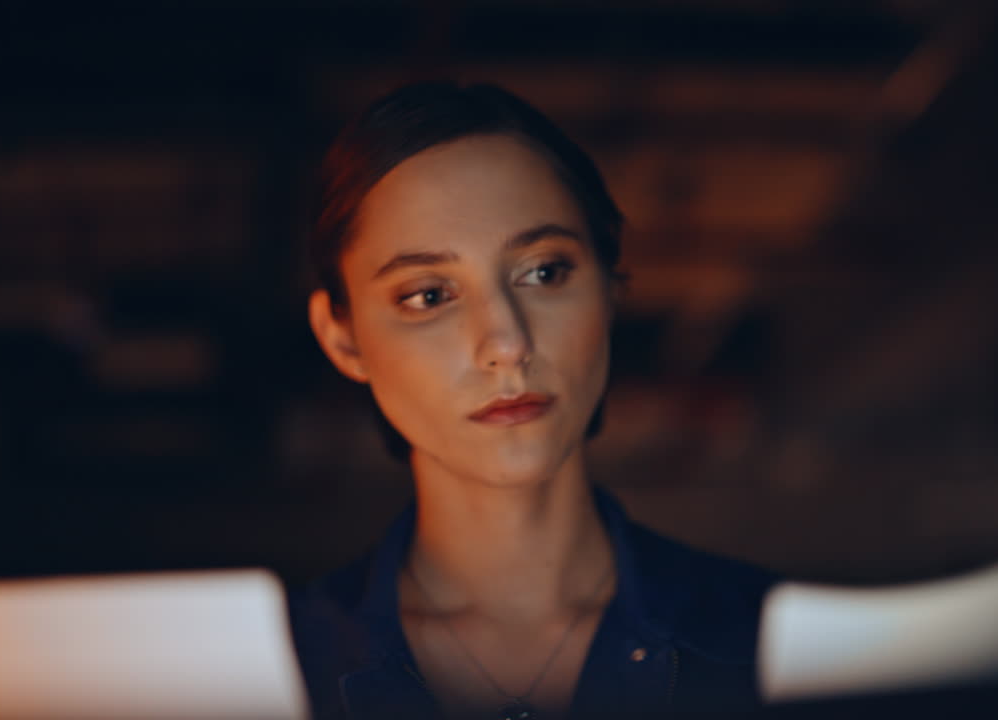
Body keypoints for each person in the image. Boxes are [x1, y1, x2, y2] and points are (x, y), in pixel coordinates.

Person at [287, 81, 779, 720]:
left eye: (544, 272)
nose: (507, 344)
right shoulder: (263, 676)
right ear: (342, 338)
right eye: (428, 296)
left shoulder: (781, 649)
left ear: (611, 288)